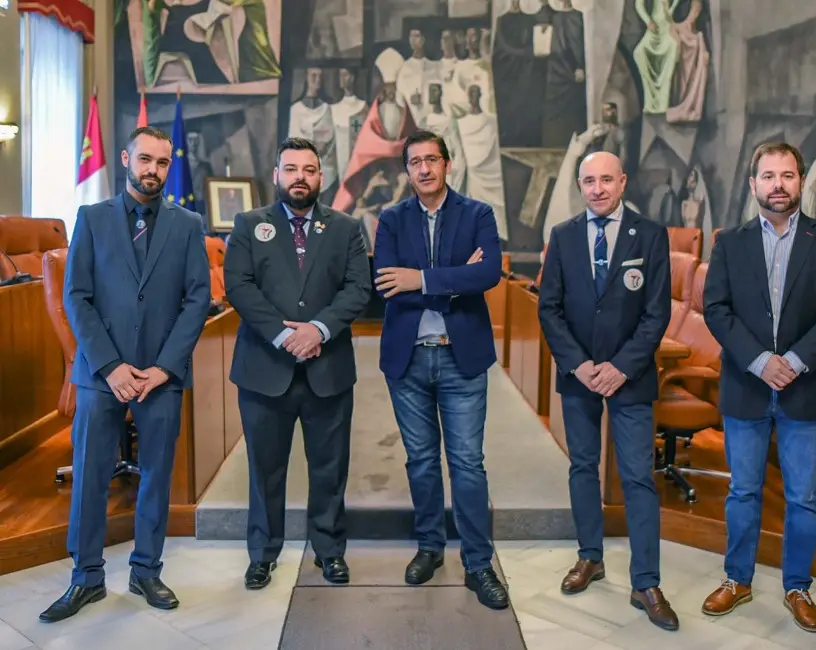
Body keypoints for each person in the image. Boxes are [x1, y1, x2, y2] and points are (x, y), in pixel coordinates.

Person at [41, 126, 211, 623]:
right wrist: (111, 366)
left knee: (156, 476)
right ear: (125, 159)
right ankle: (86, 577)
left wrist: (163, 368)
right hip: (101, 374)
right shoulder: (92, 219)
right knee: (91, 475)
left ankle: (146, 570)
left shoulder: (187, 224)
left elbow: (197, 299)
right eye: (145, 160)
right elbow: (77, 297)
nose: (153, 170)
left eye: (162, 162)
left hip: (161, 375)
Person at [701, 142, 816, 633]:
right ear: (753, 185)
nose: (778, 185)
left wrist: (791, 362)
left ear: (801, 181)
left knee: (803, 497)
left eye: (787, 176)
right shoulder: (730, 242)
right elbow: (716, 309)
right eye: (768, 176)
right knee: (743, 491)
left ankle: (797, 587)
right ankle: (737, 580)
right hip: (746, 385)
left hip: (804, 387)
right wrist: (759, 361)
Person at [537, 151, 678, 632]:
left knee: (638, 477)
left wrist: (620, 367)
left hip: (630, 376)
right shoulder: (563, 235)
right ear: (580, 185)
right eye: (588, 181)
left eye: (606, 180)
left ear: (622, 182)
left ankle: (646, 582)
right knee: (582, 466)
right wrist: (579, 365)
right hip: (578, 375)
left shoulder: (651, 235)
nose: (597, 189)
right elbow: (549, 308)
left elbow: (657, 313)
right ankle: (590, 557)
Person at [224, 137, 371, 589]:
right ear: (277, 175)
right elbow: (239, 286)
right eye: (291, 169)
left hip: (328, 369)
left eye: (309, 170)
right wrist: (287, 335)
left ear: (321, 177)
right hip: (265, 370)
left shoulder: (346, 228)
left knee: (330, 467)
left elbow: (358, 288)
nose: (300, 178)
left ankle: (329, 551)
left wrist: (318, 330)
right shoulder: (250, 224)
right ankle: (262, 554)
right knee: (265, 469)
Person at [372, 130, 508, 610]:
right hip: (408, 359)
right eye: (415, 162)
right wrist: (455, 280)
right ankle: (429, 547)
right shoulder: (391, 219)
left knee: (467, 464)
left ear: (448, 164)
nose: (425, 169)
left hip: (460, 357)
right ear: (407, 170)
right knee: (422, 461)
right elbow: (386, 282)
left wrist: (422, 279)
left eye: (432, 159)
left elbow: (488, 274)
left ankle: (478, 563)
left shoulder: (478, 214)